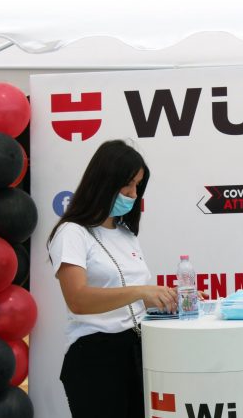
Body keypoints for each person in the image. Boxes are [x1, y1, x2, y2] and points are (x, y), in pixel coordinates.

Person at [47, 139, 177, 418]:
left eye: (137, 186)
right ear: (104, 181)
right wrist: (142, 291)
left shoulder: (126, 233)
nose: (132, 194)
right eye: (127, 184)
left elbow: (130, 301)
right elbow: (78, 300)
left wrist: (168, 298)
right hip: (95, 358)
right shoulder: (72, 233)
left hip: (136, 351)